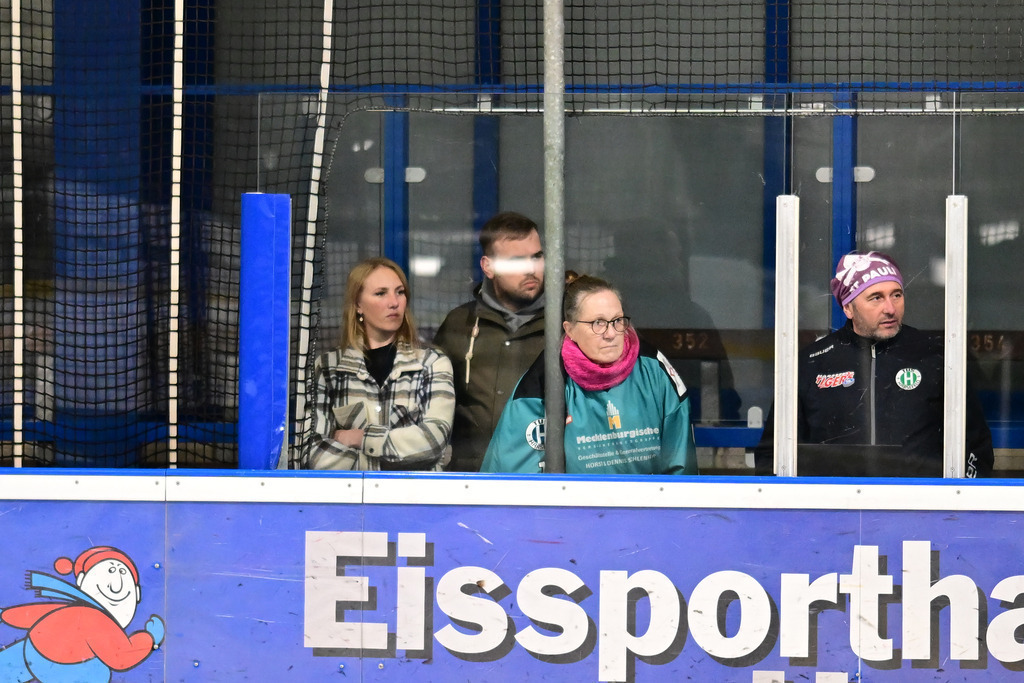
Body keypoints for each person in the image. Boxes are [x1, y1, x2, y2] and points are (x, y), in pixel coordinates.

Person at [754, 250, 994, 477]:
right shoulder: (811, 362)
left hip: (921, 512)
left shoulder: (937, 355)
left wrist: (958, 504)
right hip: (835, 512)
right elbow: (773, 454)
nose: (890, 309)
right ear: (848, 307)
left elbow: (976, 446)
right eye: (876, 298)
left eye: (896, 295)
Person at [480, 272, 698, 475]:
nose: (611, 334)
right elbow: (516, 483)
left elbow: (681, 469)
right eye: (598, 323)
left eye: (618, 321)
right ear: (570, 329)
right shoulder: (542, 383)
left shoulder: (654, 370)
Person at [302, 257, 455, 470]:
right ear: (357, 305)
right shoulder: (329, 368)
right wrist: (395, 459)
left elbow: (432, 441)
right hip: (351, 500)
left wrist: (360, 438)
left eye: (399, 292)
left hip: (415, 499)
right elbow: (314, 454)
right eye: (381, 293)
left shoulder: (432, 364)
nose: (394, 302)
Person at [434, 212, 546, 472]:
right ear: (488, 267)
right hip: (471, 480)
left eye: (536, 257)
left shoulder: (565, 325)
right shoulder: (458, 324)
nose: (531, 269)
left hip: (543, 481)